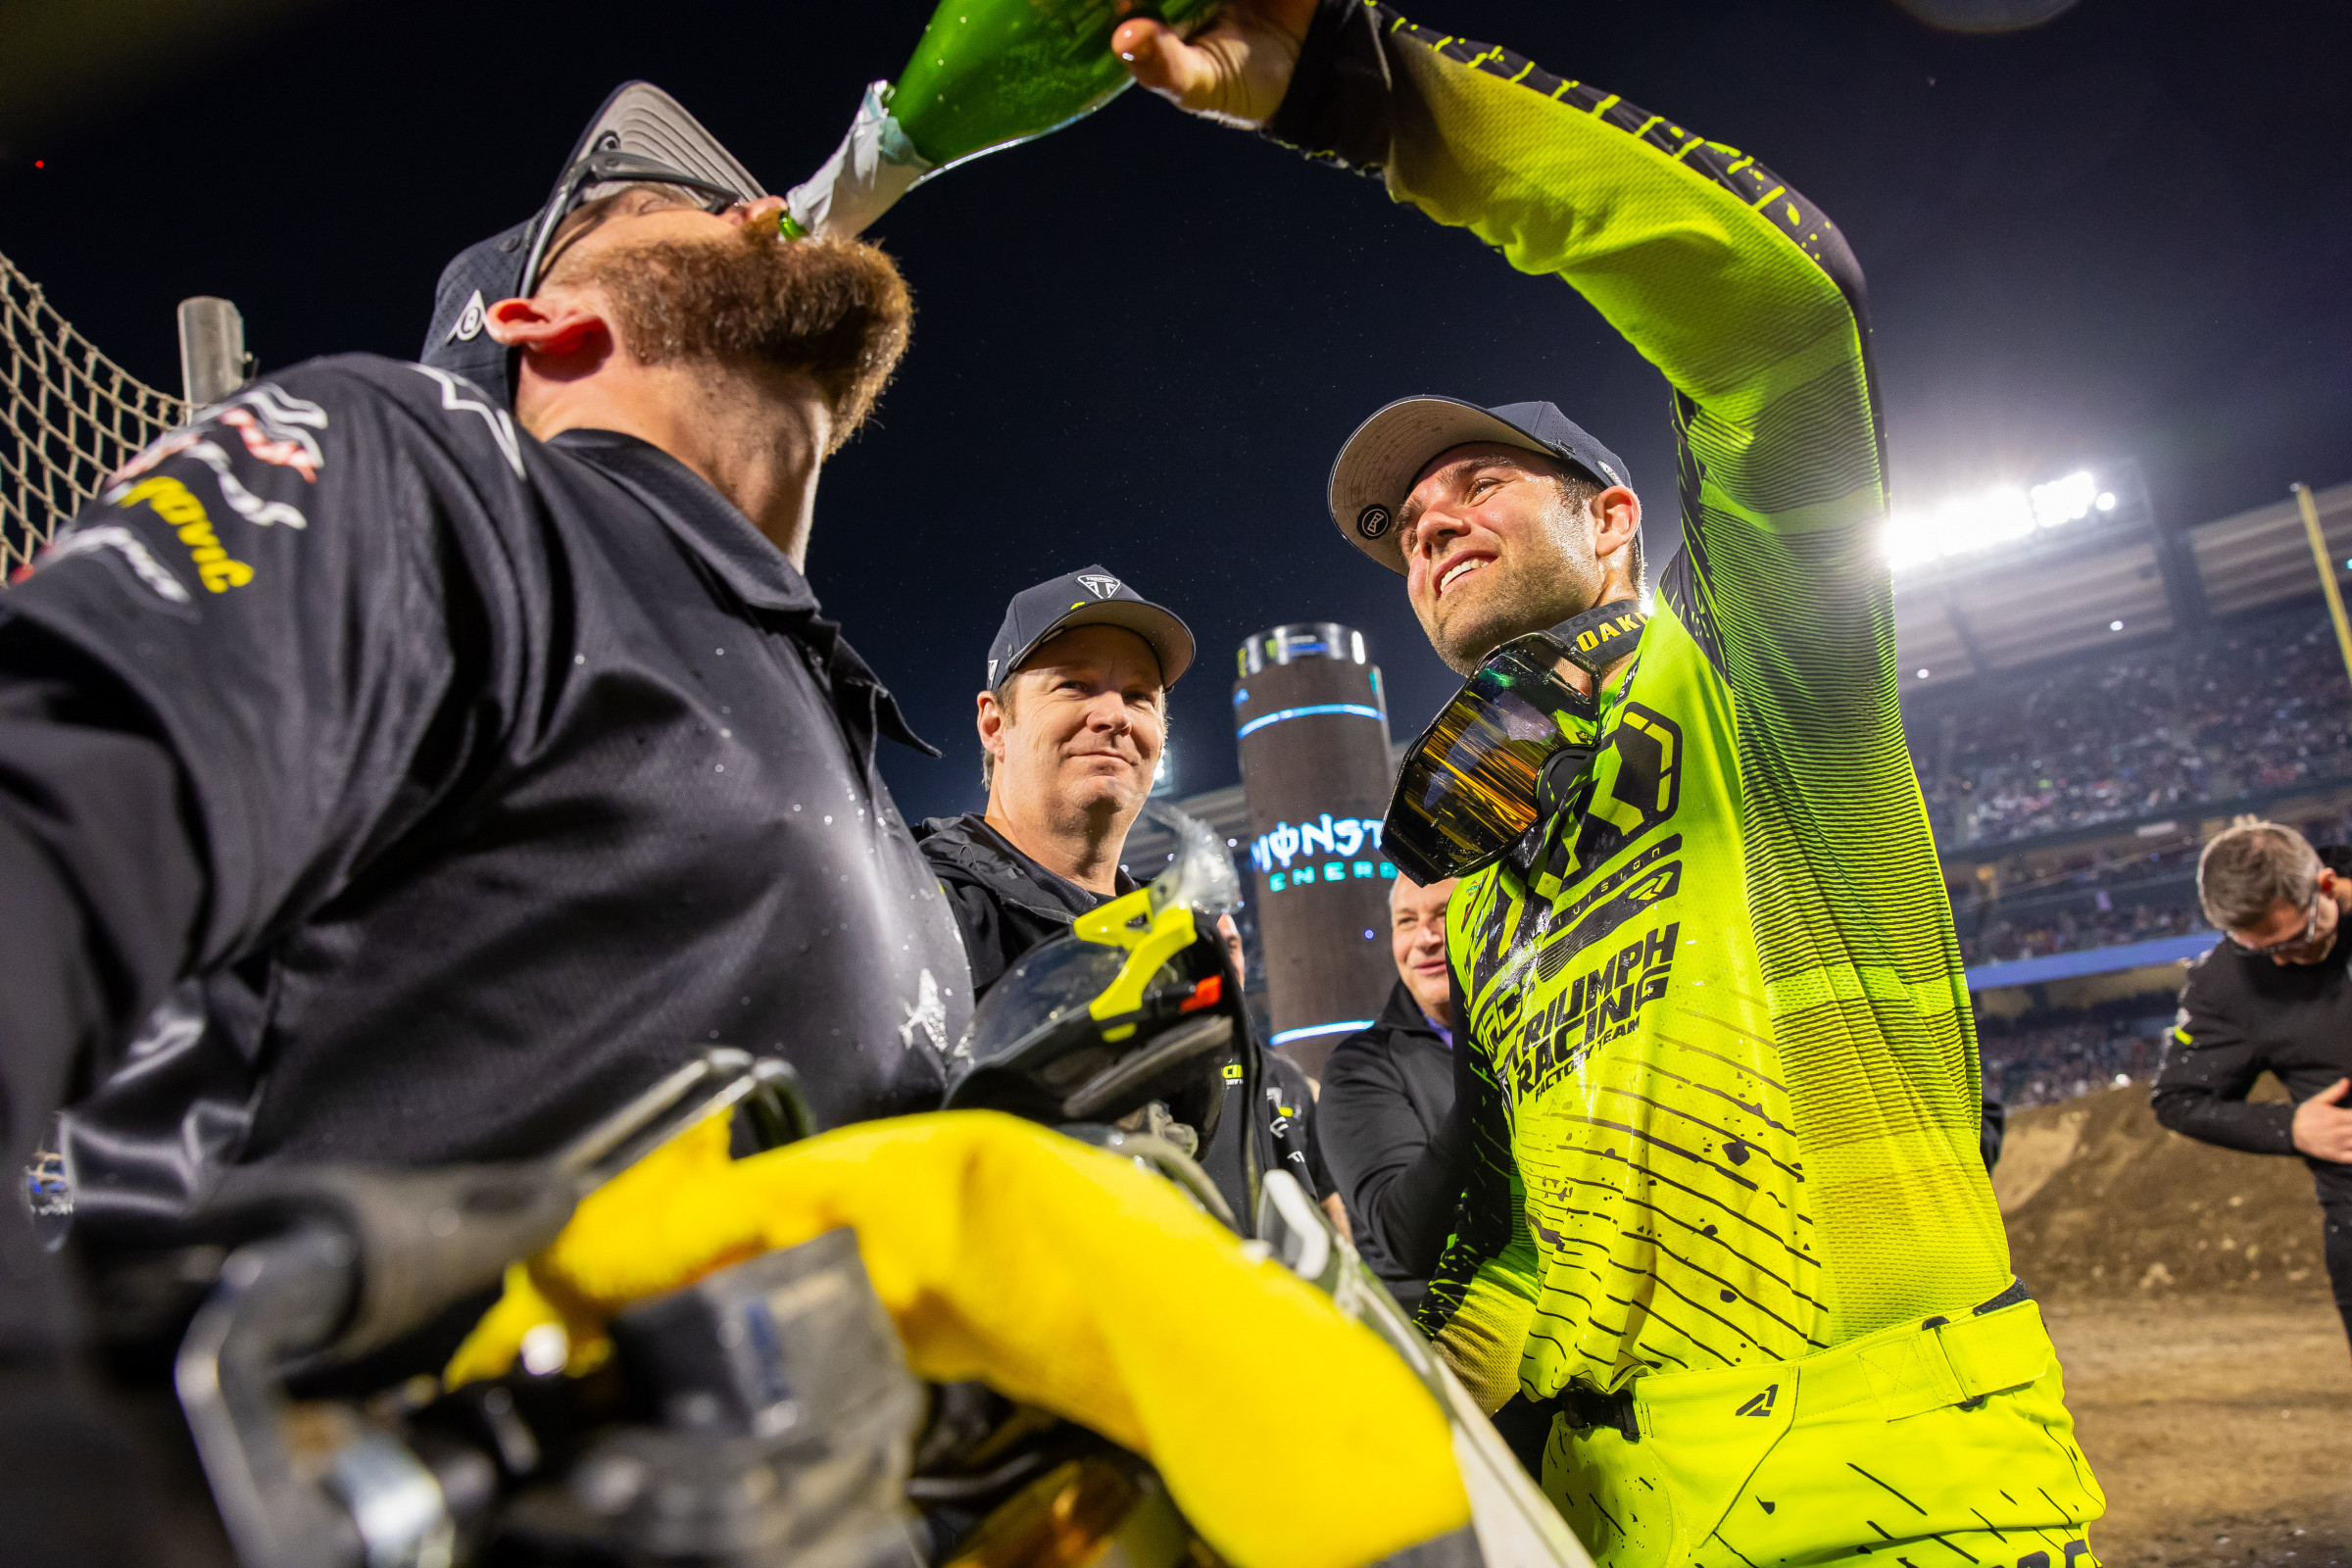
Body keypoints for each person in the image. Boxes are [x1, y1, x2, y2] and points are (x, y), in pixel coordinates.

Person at [1116, 5, 2104, 1562]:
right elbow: (1534, 1256)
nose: (1428, 523)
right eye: (1401, 525)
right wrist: (1386, 1391)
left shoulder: (1772, 690)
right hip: (1612, 1525)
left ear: (1619, 520)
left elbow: (1785, 326)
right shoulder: (1488, 874)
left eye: (1479, 482)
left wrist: (1368, 96)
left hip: (1901, 1508)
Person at [0, 84, 973, 1560]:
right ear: (543, 329)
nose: (756, 202)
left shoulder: (852, 777)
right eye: (664, 202)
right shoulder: (436, 482)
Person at [914, 568, 1339, 1215]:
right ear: (994, 724)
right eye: (1074, 685)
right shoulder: (921, 907)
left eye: (1140, 696)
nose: (1112, 715)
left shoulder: (1188, 945)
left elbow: (1252, 1177)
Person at [2153, 821, 2352, 1346]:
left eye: (2296, 939)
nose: (2282, 960)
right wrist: (2292, 1128)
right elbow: (2178, 1098)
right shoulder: (2226, 984)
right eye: (2259, 950)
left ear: (2326, 886)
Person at [1317, 871, 1461, 1313]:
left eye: (1445, 914)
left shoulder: (1545, 1029)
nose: (1425, 938)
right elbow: (1410, 1240)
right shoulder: (1359, 1068)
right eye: (1406, 921)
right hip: (1446, 1354)